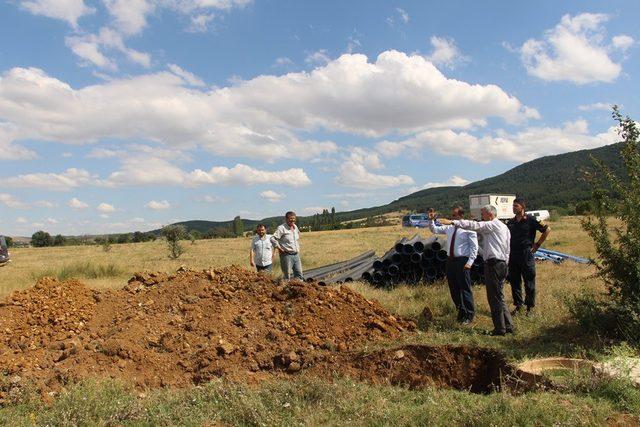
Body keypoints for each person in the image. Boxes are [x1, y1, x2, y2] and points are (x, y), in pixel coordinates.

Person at [439, 204, 514, 336]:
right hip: (502, 263)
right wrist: (505, 263)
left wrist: (452, 222)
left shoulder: (492, 225)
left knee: (494, 298)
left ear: (490, 215)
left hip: (494, 264)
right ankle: (508, 325)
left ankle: (499, 329)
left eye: (483, 214)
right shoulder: (504, 227)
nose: (481, 217)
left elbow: (474, 226)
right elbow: (508, 247)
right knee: (500, 297)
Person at [428, 207, 478, 324]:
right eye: (452, 215)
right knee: (454, 288)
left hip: (462, 261)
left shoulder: (468, 228)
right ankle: (461, 312)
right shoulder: (450, 228)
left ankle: (469, 315)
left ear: (461, 216)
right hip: (450, 261)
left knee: (465, 288)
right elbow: (434, 229)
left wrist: (470, 262)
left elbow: (474, 247)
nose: (452, 218)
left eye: (454, 215)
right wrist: (431, 220)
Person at [507, 197, 551, 316]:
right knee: (514, 282)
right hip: (513, 255)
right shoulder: (511, 222)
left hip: (526, 254)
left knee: (529, 282)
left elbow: (547, 230)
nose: (513, 208)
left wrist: (537, 244)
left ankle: (530, 307)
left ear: (522, 207)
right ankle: (518, 305)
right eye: (513, 205)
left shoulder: (531, 220)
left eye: (516, 206)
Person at [271, 211, 304, 280]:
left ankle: (298, 288)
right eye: (291, 218)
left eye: (294, 218)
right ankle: (286, 289)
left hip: (296, 254)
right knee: (287, 276)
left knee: (299, 274)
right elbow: (273, 238)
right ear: (286, 219)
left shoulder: (295, 227)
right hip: (286, 255)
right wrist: (279, 248)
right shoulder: (281, 228)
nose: (293, 220)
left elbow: (297, 236)